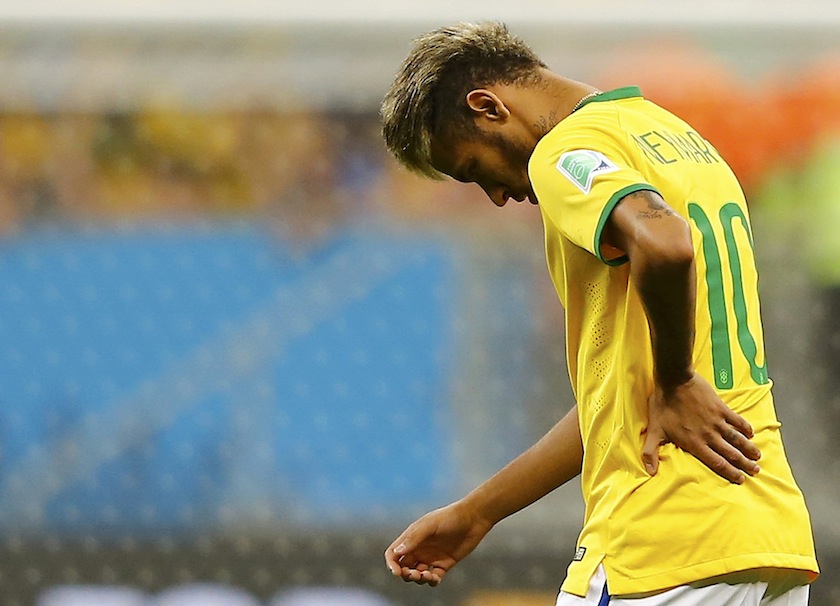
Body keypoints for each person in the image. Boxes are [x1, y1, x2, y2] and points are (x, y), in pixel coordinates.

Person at [379, 22, 819, 605]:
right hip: (762, 534)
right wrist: (479, 512)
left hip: (661, 537)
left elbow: (664, 242)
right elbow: (622, 404)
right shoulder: (670, 134)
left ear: (488, 107)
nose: (496, 195)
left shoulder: (564, 151)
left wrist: (676, 379)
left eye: (475, 168)